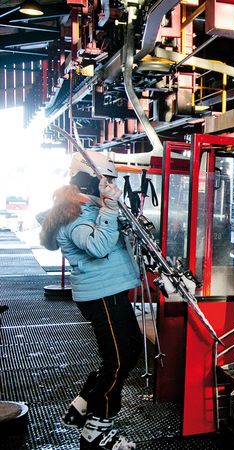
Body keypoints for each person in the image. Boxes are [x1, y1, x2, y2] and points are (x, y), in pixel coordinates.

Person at [40, 152, 141, 450]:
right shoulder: (72, 214)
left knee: (130, 350)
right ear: (90, 178)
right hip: (101, 296)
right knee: (119, 360)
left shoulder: (84, 208)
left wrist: (111, 211)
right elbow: (97, 246)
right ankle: (97, 430)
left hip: (110, 291)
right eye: (105, 180)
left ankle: (84, 404)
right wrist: (109, 209)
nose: (108, 185)